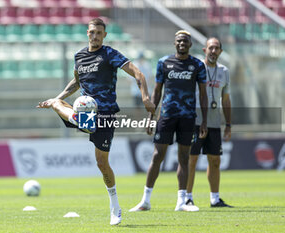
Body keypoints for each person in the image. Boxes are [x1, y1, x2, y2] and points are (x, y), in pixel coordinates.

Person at [37, 18, 155, 225]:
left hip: (106, 114)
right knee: (59, 104)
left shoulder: (110, 54)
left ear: (104, 35)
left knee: (102, 162)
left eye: (99, 33)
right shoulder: (80, 56)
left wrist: (145, 97)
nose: (95, 36)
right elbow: (76, 82)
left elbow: (138, 73)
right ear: (87, 33)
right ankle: (71, 113)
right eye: (92, 32)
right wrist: (58, 97)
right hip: (86, 110)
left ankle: (114, 206)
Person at [129, 30, 208, 212]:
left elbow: (203, 95)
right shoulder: (164, 63)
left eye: (185, 41)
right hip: (166, 116)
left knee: (184, 158)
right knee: (157, 156)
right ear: (175, 43)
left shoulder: (197, 65)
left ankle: (181, 202)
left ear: (190, 44)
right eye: (179, 41)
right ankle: (145, 201)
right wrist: (151, 117)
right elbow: (157, 91)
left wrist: (203, 120)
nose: (182, 44)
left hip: (188, 117)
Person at [186, 37, 233, 208]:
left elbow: (226, 99)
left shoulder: (224, 71)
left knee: (215, 160)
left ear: (221, 51)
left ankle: (215, 198)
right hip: (195, 121)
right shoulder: (197, 68)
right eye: (210, 48)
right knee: (192, 160)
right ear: (205, 50)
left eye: (217, 48)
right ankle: (187, 197)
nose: (213, 51)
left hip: (214, 122)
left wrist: (228, 125)